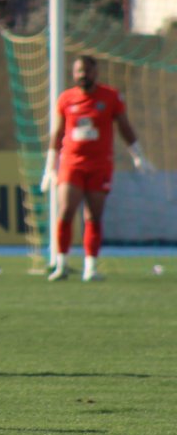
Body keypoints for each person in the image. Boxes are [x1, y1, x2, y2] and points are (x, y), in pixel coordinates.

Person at [42, 55, 150, 282]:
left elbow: (124, 127)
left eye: (87, 71)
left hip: (100, 164)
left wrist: (138, 156)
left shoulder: (110, 97)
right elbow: (58, 133)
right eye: (78, 71)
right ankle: (61, 264)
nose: (83, 75)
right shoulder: (66, 99)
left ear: (95, 72)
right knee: (66, 211)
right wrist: (50, 167)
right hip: (72, 162)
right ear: (74, 73)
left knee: (93, 215)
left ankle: (90, 267)